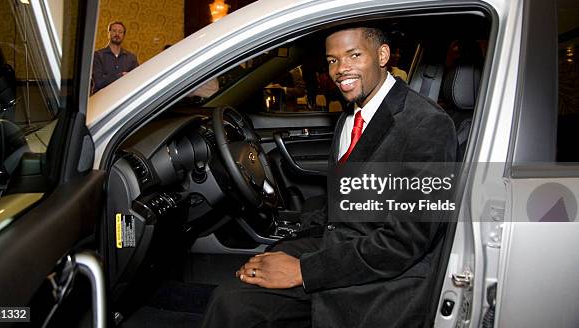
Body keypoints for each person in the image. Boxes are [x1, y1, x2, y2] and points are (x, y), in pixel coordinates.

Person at [201, 26, 457, 327]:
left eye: (354, 55)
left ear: (382, 55)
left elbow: (405, 242)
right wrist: (291, 242)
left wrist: (303, 270)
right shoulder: (350, 116)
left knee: (235, 305)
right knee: (235, 297)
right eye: (332, 60)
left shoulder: (427, 124)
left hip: (382, 278)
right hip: (339, 245)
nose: (341, 69)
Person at [91, 21, 139, 93]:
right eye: (114, 31)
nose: (117, 34)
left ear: (123, 35)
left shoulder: (131, 58)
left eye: (120, 32)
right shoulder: (97, 55)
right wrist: (120, 76)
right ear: (109, 33)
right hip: (102, 99)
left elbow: (136, 80)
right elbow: (99, 82)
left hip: (123, 98)